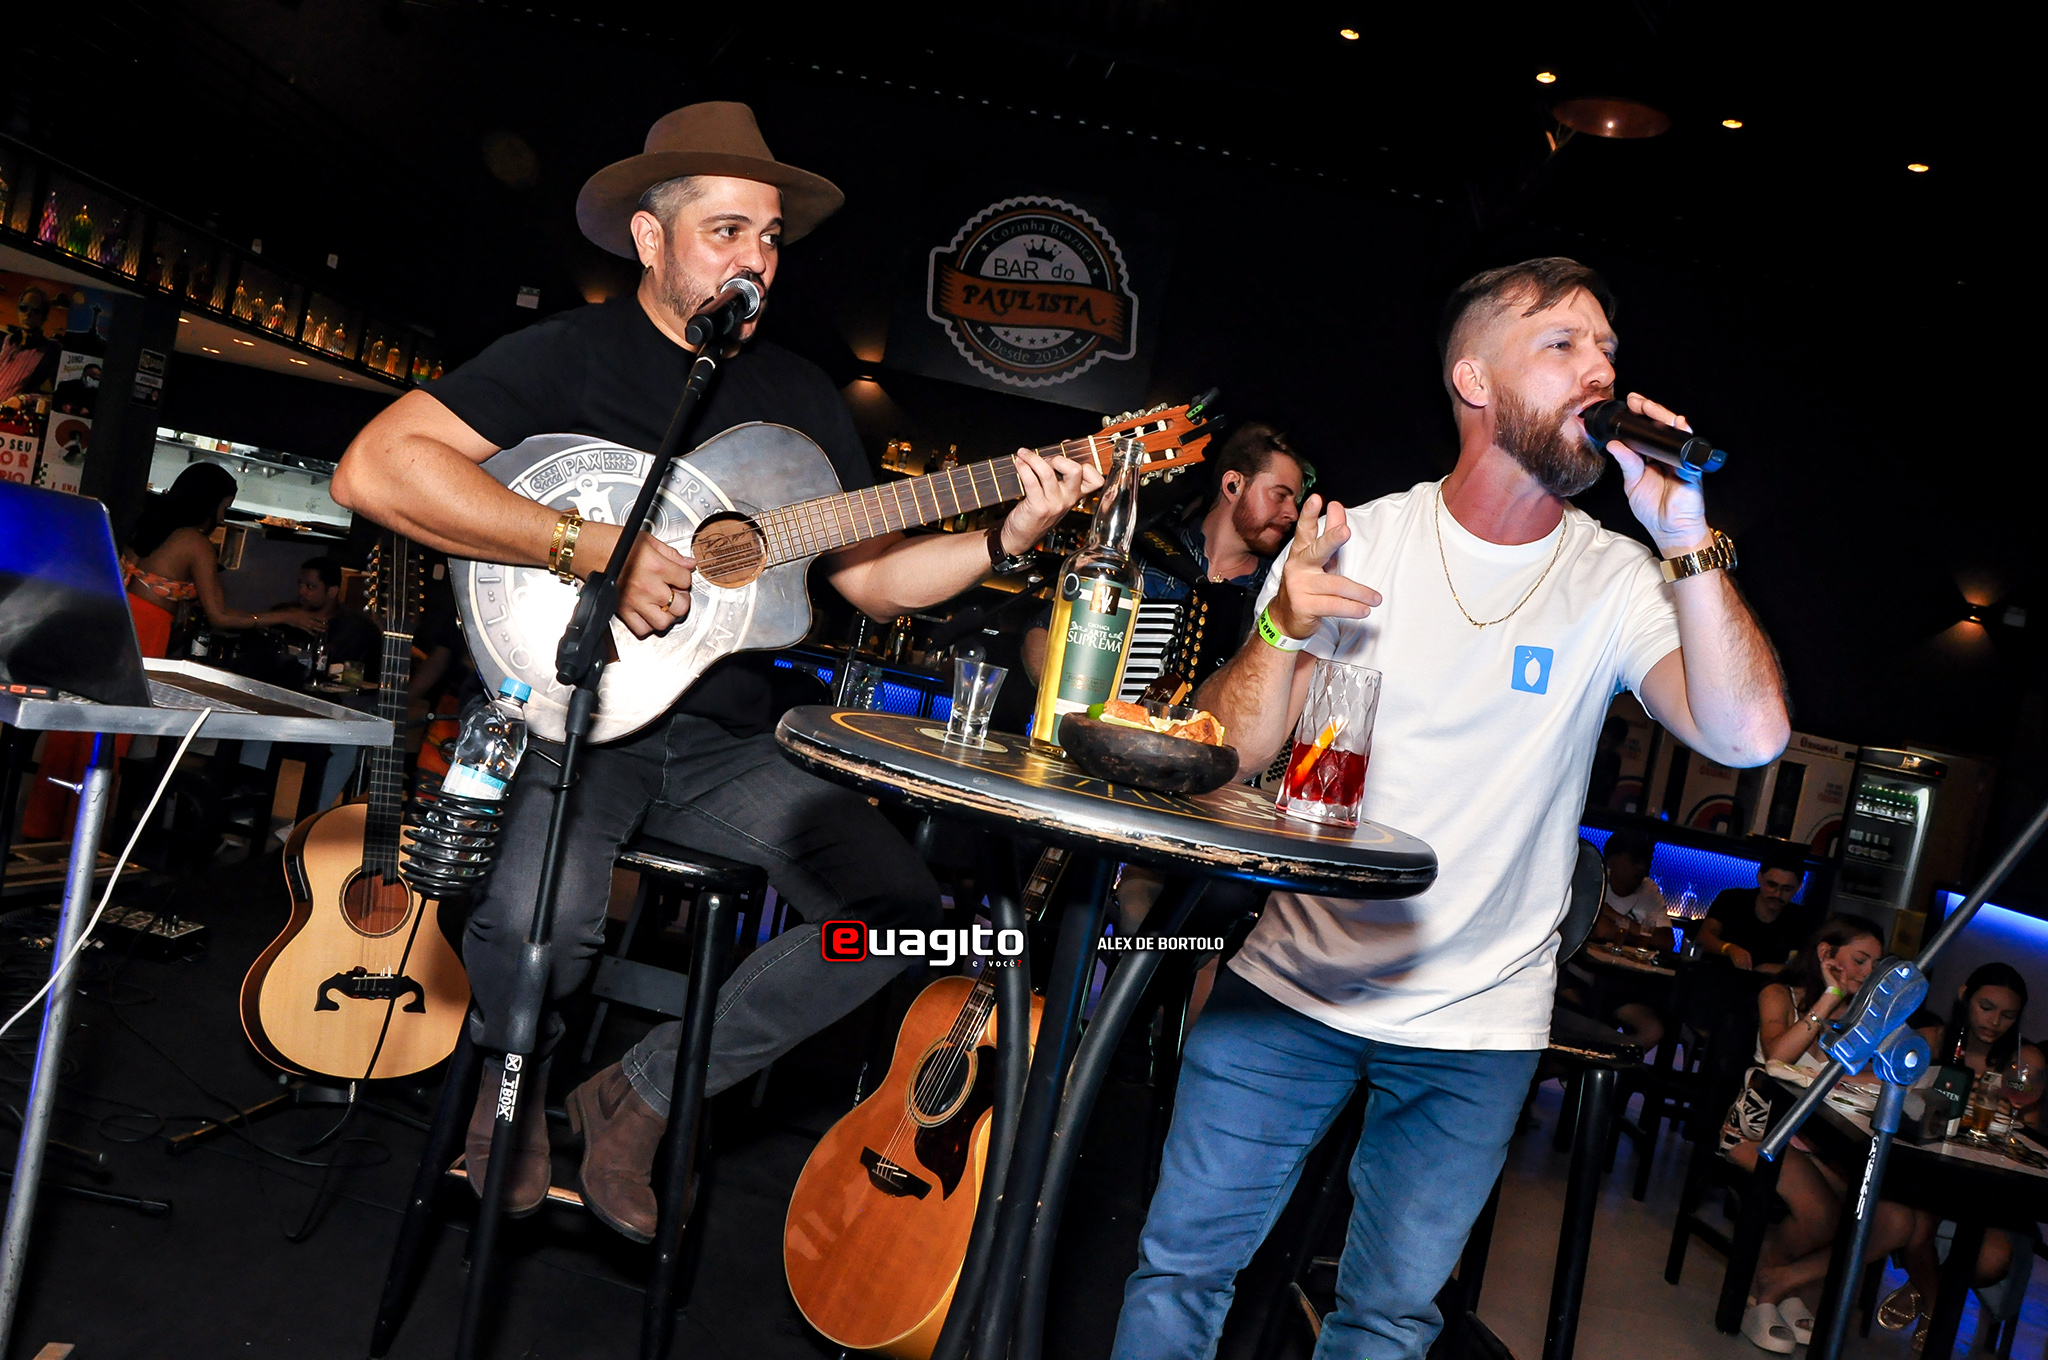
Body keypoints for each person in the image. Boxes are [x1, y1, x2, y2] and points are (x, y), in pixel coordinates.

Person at [329, 101, 1103, 1241]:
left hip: (730, 743)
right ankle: (513, 1090)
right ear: (650, 239)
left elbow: (875, 581)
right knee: (544, 923)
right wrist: (585, 545)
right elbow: (375, 467)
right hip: (578, 720)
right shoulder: (569, 355)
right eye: (727, 231)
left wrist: (1007, 533)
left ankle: (643, 1095)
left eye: (770, 238)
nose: (757, 259)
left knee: (904, 919)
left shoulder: (800, 400)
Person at [1110, 257, 1790, 1358]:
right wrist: (1278, 629)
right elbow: (1234, 749)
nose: (1600, 369)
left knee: (1385, 1321)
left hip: (1477, 1025)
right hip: (1290, 985)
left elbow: (1749, 735)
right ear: (1474, 380)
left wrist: (1685, 540)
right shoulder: (1362, 537)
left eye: (1607, 349)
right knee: (1180, 1272)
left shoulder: (1620, 578)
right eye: (1561, 343)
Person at [21, 462, 322, 839]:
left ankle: (42, 831)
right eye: (225, 506)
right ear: (211, 502)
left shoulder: (148, 526)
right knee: (109, 739)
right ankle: (79, 838)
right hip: (142, 633)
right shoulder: (195, 542)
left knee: (75, 731)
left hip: (107, 623)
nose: (224, 515)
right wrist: (287, 616)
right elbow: (220, 615)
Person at [1717, 915, 1907, 1352]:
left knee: (1895, 1221)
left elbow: (1878, 1079)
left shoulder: (1863, 1016)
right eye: (1860, 960)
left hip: (1825, 1141)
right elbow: (1776, 1058)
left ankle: (1783, 1280)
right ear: (1826, 953)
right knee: (1822, 1216)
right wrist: (1830, 996)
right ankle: (1766, 1295)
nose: (1867, 973)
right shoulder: (1779, 994)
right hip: (1762, 1133)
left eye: (1874, 965)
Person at [1019, 420, 1305, 683]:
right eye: (1280, 495)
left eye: (1295, 501)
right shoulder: (1143, 554)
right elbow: (1043, 630)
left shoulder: (1277, 591)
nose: (1292, 513)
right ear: (1233, 485)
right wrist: (1068, 700)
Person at [1878, 963, 2046, 1343]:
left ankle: (1922, 1287)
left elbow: (2030, 1133)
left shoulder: (2023, 1059)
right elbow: (1891, 1088)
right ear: (1964, 996)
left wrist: (2011, 1117)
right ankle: (1937, 1307)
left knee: (1991, 1259)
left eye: (2008, 1015)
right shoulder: (1934, 1040)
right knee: (1918, 1227)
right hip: (1931, 1170)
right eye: (1986, 1007)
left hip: (1992, 1187)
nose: (1995, 1022)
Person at [1578, 828, 1667, 1053]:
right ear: (1611, 861)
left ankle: (1605, 1068)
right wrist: (1642, 932)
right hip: (1585, 981)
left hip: (1628, 987)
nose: (1642, 867)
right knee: (1591, 1022)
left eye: (1646, 861)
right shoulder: (1595, 882)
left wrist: (1615, 917)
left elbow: (1666, 941)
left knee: (1653, 1030)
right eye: (1634, 860)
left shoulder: (1648, 889)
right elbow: (1601, 931)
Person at [1696, 848, 1812, 973]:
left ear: (1799, 887)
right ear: (1759, 877)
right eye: (1772, 885)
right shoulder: (1732, 899)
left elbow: (1810, 964)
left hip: (1768, 982)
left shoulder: (1803, 918)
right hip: (1717, 974)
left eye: (1787, 889)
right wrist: (1728, 948)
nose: (1777, 894)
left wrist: (1779, 969)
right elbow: (1703, 938)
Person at [271, 555, 381, 680]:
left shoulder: (359, 629)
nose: (301, 591)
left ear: (332, 591)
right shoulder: (284, 614)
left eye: (310, 586)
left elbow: (366, 677)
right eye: (300, 584)